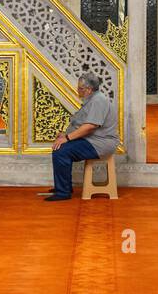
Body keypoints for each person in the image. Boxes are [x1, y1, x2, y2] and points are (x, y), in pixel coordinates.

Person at [42, 72, 120, 202]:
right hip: (92, 139)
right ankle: (64, 186)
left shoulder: (98, 101)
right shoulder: (92, 100)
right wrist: (66, 135)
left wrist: (67, 138)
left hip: (100, 143)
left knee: (62, 151)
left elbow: (90, 126)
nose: (78, 91)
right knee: (61, 147)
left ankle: (63, 192)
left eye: (80, 88)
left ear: (89, 90)